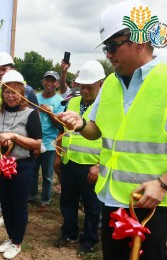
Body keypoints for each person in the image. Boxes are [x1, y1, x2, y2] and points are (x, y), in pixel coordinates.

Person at [58, 1, 167, 259]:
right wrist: (81, 123)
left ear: (139, 40)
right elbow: (96, 130)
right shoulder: (109, 84)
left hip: (152, 204)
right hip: (113, 199)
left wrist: (162, 184)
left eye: (112, 45)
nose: (108, 54)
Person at [0, 70, 42, 259]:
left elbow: (36, 143)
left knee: (18, 205)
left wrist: (15, 137)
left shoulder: (31, 114)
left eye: (15, 92)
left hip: (21, 166)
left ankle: (17, 242)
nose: (11, 96)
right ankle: (11, 237)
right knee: (6, 204)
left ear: (22, 94)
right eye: (7, 92)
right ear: (2, 93)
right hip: (1, 165)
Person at [54, 60, 105, 254]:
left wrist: (100, 165)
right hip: (70, 162)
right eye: (82, 86)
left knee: (92, 206)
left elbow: (112, 139)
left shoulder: (106, 107)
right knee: (68, 201)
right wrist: (59, 156)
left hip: (91, 167)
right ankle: (69, 232)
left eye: (89, 87)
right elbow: (62, 129)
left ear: (101, 84)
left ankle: (89, 240)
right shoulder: (73, 102)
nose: (84, 91)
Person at [29, 71, 64, 210]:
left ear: (57, 84)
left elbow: (59, 125)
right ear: (43, 82)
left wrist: (49, 112)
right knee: (32, 170)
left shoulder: (60, 101)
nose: (49, 83)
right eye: (47, 80)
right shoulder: (35, 97)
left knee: (47, 175)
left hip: (50, 143)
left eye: (53, 81)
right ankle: (31, 195)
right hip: (34, 140)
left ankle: (45, 200)